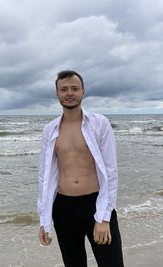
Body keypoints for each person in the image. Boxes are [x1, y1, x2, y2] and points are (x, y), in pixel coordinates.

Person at [37, 70, 124, 267]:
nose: (69, 93)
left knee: (112, 263)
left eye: (74, 88)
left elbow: (110, 171)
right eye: (64, 89)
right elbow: (45, 175)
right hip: (64, 208)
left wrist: (104, 217)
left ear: (83, 92)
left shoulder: (100, 124)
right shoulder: (49, 130)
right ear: (57, 93)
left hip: (95, 203)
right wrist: (44, 219)